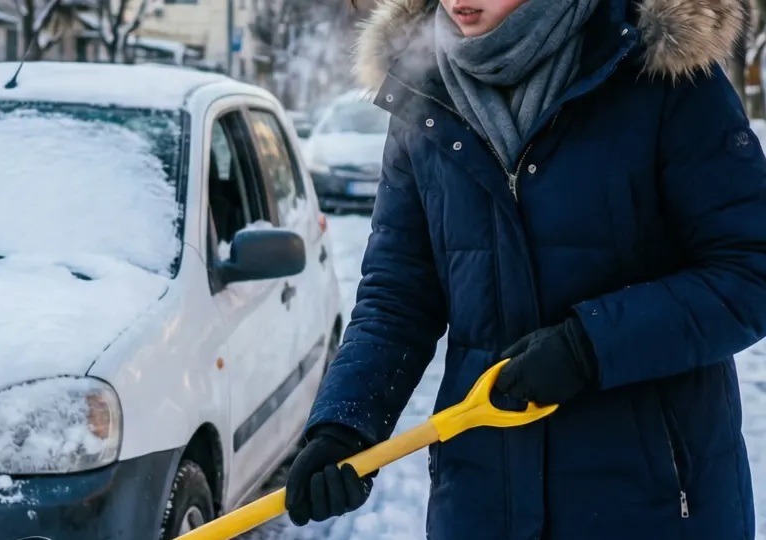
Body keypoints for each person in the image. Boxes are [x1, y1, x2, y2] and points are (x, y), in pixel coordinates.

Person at [284, 0, 766, 538]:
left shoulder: (659, 72)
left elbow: (750, 269)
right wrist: (346, 422)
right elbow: (398, 295)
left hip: (653, 504)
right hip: (484, 502)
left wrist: (591, 347)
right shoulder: (422, 91)